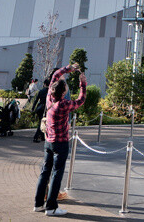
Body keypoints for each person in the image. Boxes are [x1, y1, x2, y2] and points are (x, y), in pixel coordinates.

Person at [34, 63, 87, 216]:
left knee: (45, 172)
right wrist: (82, 83)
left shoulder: (50, 99)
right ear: (63, 92)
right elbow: (81, 100)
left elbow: (55, 75)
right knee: (57, 174)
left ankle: (38, 204)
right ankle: (51, 207)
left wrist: (68, 68)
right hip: (61, 143)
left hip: (49, 142)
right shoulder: (63, 104)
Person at [32, 78, 51, 143]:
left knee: (42, 122)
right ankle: (36, 137)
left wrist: (33, 108)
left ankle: (42, 137)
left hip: (39, 108)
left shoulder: (41, 91)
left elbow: (36, 100)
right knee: (43, 123)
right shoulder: (50, 92)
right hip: (46, 109)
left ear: (44, 84)